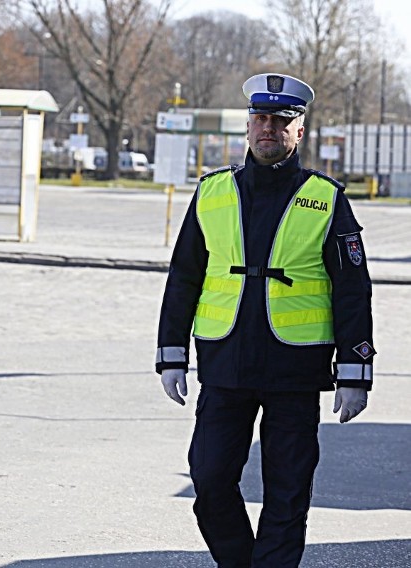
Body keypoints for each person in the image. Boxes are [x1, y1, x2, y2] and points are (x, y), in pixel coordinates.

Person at [155, 73, 374, 567]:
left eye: (282, 120)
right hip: (225, 365)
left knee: (288, 492)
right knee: (209, 479)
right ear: (248, 126)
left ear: (300, 131)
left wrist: (356, 372)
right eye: (261, 118)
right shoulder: (211, 192)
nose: (269, 127)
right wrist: (172, 355)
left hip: (294, 370)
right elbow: (184, 276)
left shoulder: (326, 197)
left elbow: (353, 291)